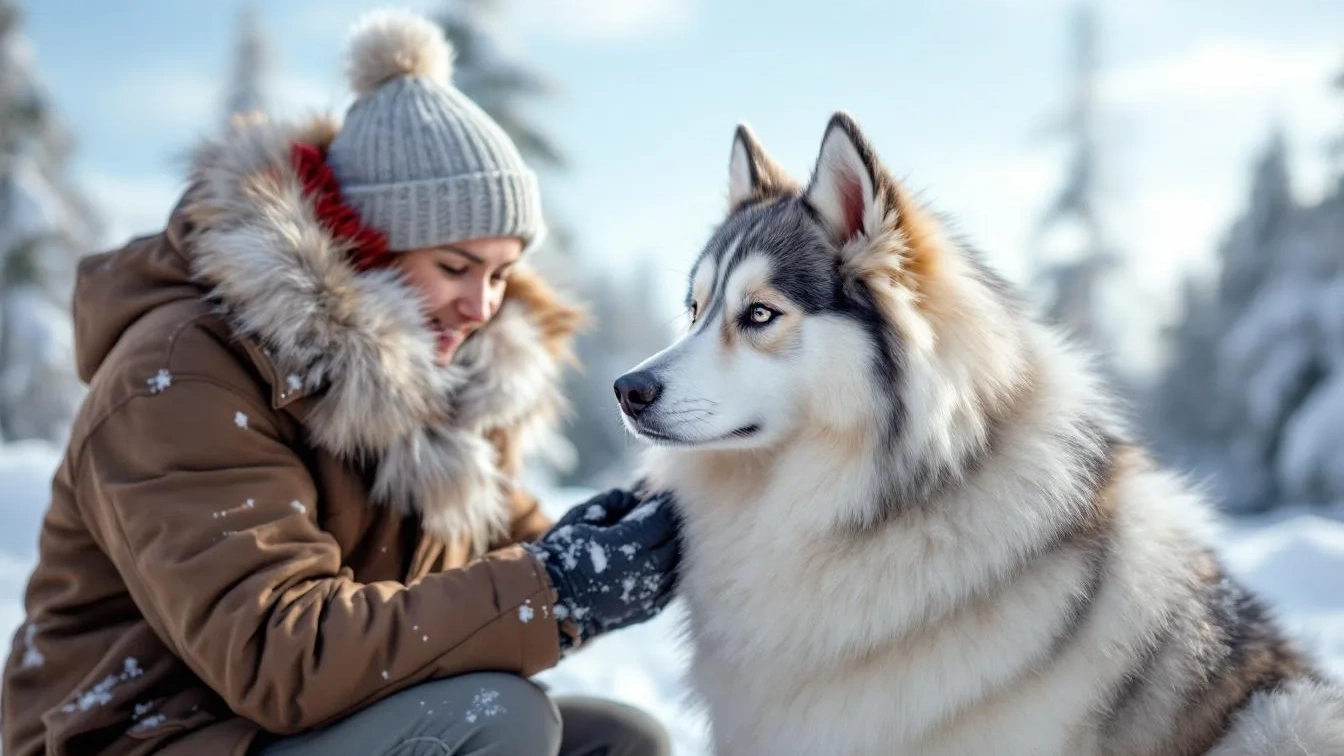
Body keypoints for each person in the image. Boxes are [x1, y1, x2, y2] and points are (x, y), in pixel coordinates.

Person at [0, 9, 681, 756]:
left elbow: (510, 561)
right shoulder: (183, 378)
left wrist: (599, 546)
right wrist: (554, 588)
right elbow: (279, 655)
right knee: (499, 718)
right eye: (455, 267)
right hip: (151, 738)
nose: (482, 306)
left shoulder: (433, 378)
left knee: (618, 742)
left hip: (288, 726)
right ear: (360, 244)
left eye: (500, 274)